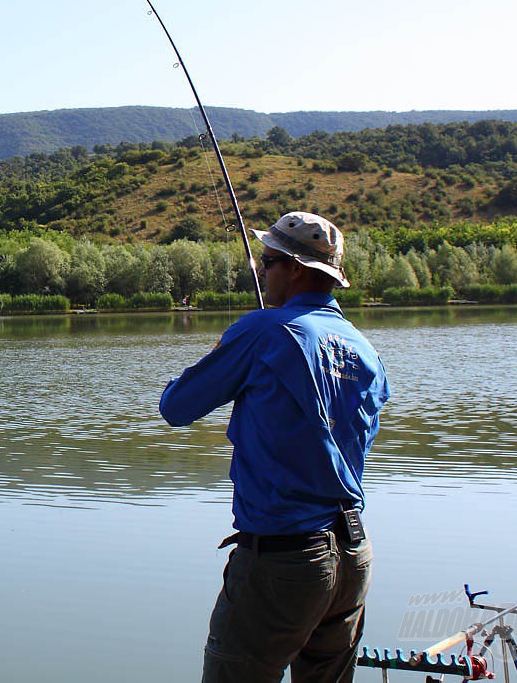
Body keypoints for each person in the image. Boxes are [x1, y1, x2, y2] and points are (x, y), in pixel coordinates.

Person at [159, 211, 390, 683]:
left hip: (285, 561)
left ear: (297, 269)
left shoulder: (264, 331)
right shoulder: (365, 349)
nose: (261, 271)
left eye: (268, 262)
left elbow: (177, 406)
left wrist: (229, 345)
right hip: (352, 556)